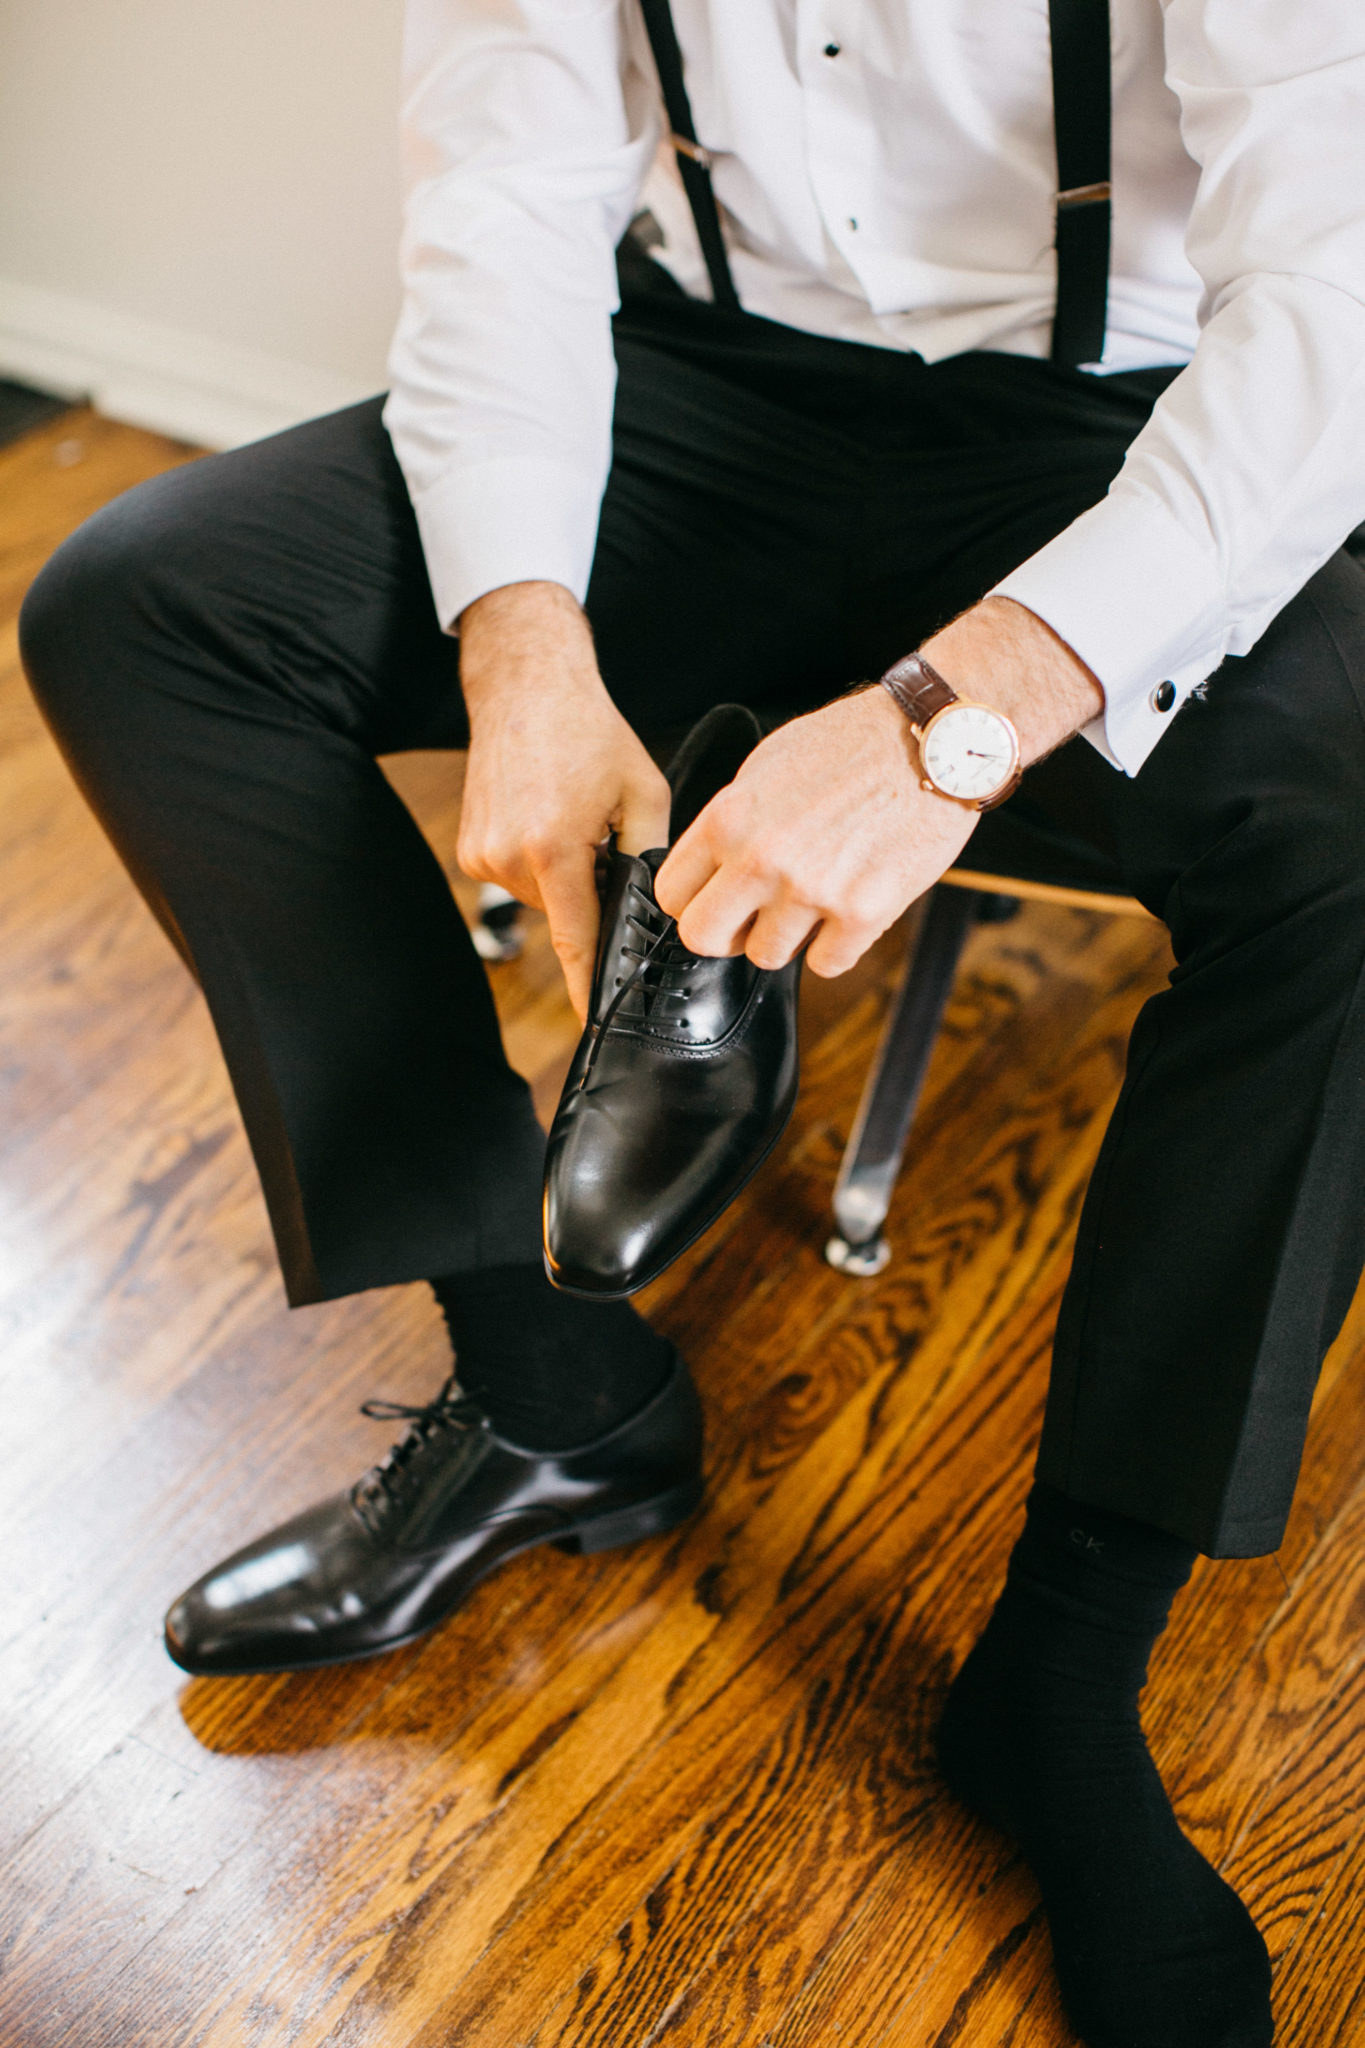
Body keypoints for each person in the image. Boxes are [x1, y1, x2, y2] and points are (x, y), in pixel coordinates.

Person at [18, 3, 1365, 2042]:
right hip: (709, 392)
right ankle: (553, 1392)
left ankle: (1064, 1668)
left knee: (1345, 842)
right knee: (144, 607)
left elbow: (1333, 294)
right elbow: (505, 191)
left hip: (1120, 429)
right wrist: (523, 652)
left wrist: (952, 718)